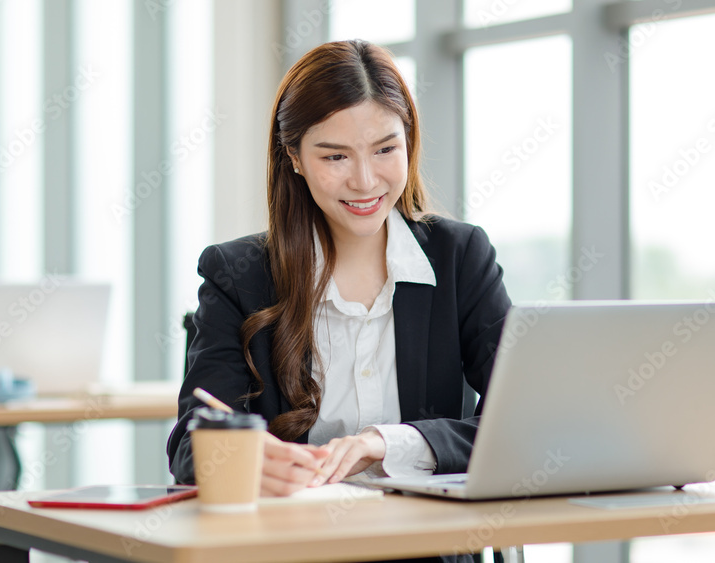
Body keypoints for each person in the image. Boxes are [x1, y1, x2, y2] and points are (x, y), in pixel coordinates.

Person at [167, 39, 511, 562]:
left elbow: (520, 425)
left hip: (428, 551)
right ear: (295, 158)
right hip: (287, 552)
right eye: (335, 156)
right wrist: (242, 461)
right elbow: (192, 445)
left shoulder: (460, 257)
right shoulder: (237, 275)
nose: (366, 180)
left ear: (409, 142)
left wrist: (390, 442)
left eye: (385, 149)